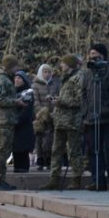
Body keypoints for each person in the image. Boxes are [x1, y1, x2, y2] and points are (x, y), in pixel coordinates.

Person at [82, 43, 109, 190]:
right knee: (94, 150)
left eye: (95, 54)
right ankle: (97, 180)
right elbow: (83, 92)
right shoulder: (89, 72)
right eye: (90, 54)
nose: (92, 57)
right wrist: (85, 110)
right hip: (92, 118)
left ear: (103, 55)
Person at [44, 55, 87, 190]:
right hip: (60, 119)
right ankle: (54, 178)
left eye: (64, 63)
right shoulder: (65, 78)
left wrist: (61, 102)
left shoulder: (78, 78)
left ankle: (76, 179)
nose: (61, 65)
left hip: (72, 120)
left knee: (74, 151)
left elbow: (80, 100)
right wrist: (56, 100)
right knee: (56, 150)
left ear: (70, 64)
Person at [0, 56, 26, 190]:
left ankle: (1, 179)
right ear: (10, 66)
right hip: (2, 120)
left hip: (7, 119)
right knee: (1, 150)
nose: (17, 70)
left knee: (4, 151)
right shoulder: (0, 79)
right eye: (15, 67)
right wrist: (15, 101)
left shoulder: (6, 79)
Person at [31, 63, 60, 170]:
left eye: (48, 72)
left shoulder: (54, 85)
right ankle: (40, 159)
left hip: (52, 115)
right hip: (40, 116)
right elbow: (35, 101)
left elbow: (57, 97)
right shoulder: (35, 85)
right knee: (39, 138)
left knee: (50, 138)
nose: (47, 74)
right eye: (45, 72)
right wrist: (42, 113)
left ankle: (48, 158)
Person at [11, 71, 36, 173]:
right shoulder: (12, 93)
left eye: (19, 78)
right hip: (14, 128)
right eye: (15, 78)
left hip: (23, 128)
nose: (16, 80)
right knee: (16, 153)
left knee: (23, 153)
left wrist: (15, 120)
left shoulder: (28, 92)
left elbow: (26, 111)